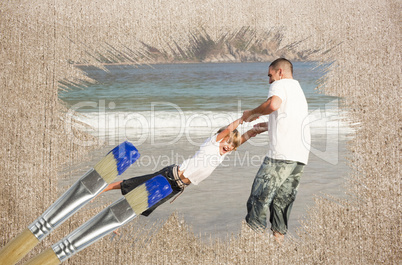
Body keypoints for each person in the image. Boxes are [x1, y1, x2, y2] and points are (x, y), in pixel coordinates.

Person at [95, 118, 263, 221]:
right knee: (135, 184)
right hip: (170, 176)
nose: (229, 146)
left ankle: (116, 219)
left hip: (177, 187)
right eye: (227, 142)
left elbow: (243, 138)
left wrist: (255, 130)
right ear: (221, 138)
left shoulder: (221, 154)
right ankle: (103, 188)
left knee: (143, 203)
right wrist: (242, 118)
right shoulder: (212, 144)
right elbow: (228, 130)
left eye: (232, 146)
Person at [241, 58, 311, 243]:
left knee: (258, 198)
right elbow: (288, 120)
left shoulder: (281, 84)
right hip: (300, 156)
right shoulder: (297, 89)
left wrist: (252, 113)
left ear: (280, 72)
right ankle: (278, 244)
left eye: (270, 75)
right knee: (282, 202)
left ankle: (253, 247)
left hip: (281, 155)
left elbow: (273, 105)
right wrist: (264, 126)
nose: (269, 80)